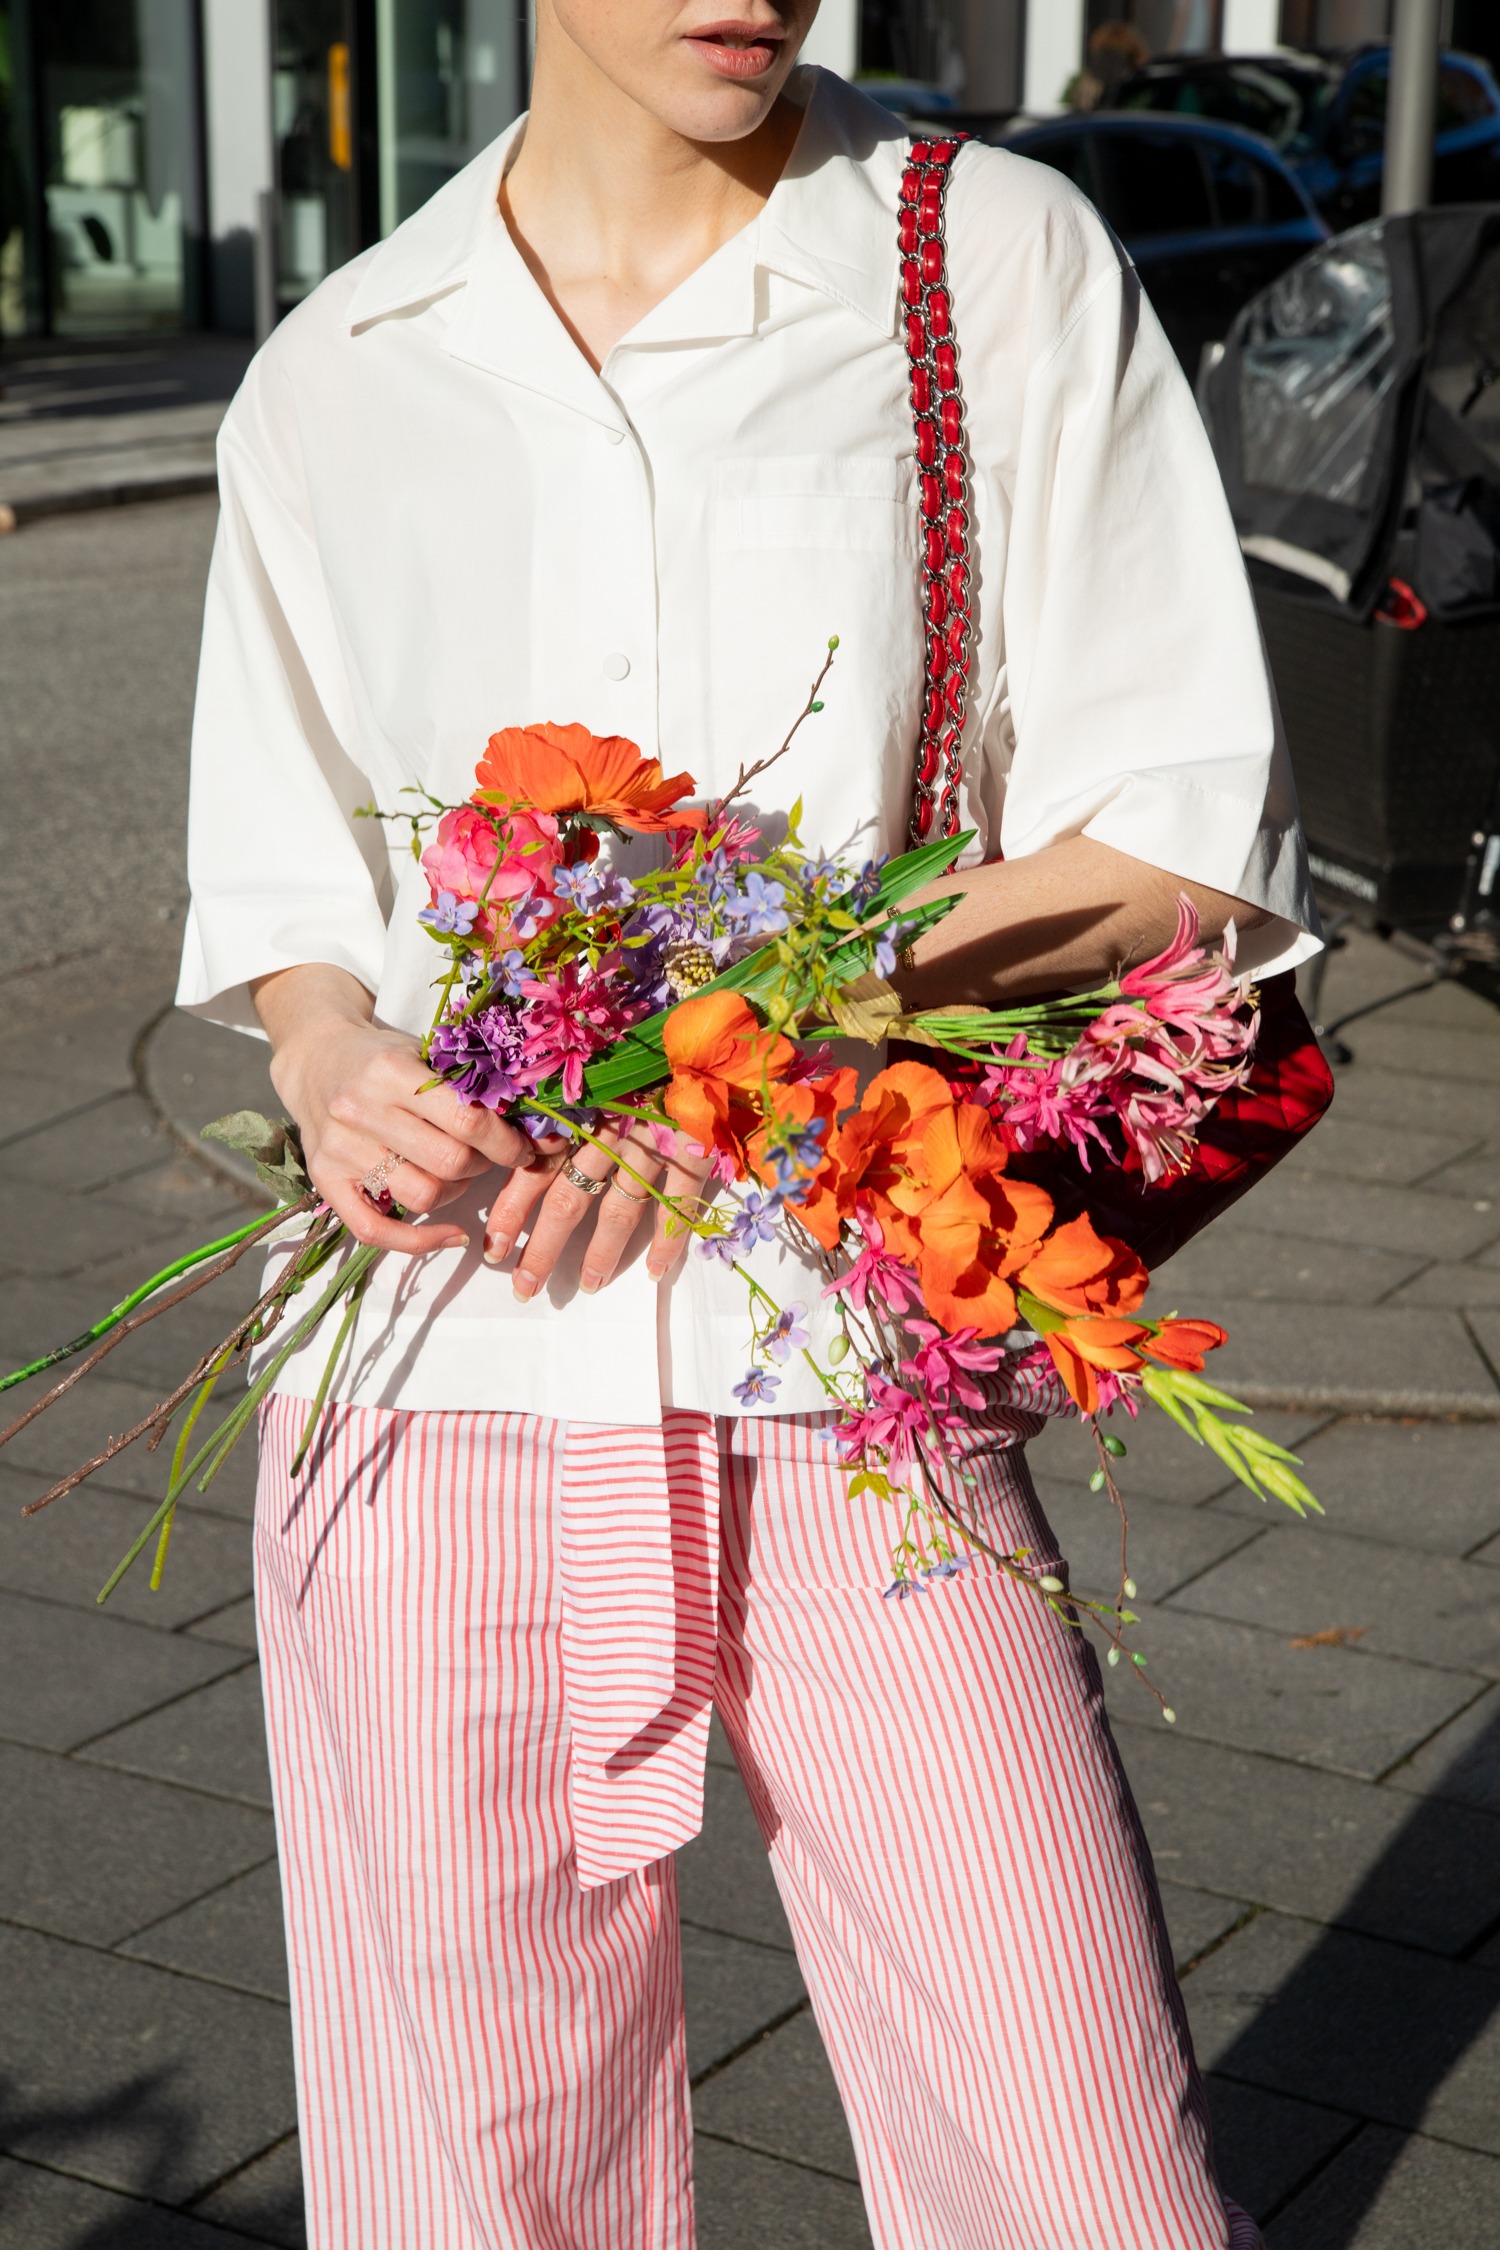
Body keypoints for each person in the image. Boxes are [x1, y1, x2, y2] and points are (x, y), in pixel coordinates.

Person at [179, 0, 1318, 2241]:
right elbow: (290, 895)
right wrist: (329, 1066)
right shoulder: (348, 357)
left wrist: (756, 1033)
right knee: (468, 2182)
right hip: (425, 1380)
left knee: (1071, 2159)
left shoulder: (986, 260)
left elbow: (1187, 831)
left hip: (848, 1366)